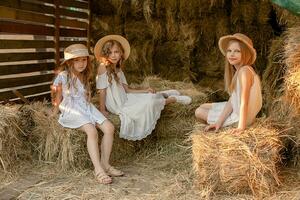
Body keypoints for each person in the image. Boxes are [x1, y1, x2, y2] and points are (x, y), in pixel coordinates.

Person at [94, 35, 192, 140]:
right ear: (105, 54)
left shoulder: (118, 70)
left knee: (149, 96)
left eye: (116, 52)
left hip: (125, 98)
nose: (113, 55)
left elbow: (127, 90)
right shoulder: (103, 67)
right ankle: (173, 99)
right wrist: (102, 110)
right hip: (118, 105)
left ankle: (163, 94)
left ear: (121, 53)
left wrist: (145, 90)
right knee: (150, 103)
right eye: (110, 52)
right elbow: (102, 91)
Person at [51, 44, 124, 185]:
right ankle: (98, 169)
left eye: (84, 60)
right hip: (71, 109)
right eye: (77, 60)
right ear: (69, 62)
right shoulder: (63, 76)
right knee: (91, 130)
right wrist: (54, 114)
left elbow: (85, 97)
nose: (81, 64)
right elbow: (58, 98)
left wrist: (90, 106)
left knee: (109, 128)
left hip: (86, 107)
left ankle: (105, 164)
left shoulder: (84, 75)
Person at [195, 33, 262, 134]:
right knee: (203, 106)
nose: (232, 54)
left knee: (198, 112)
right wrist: (219, 122)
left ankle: (220, 129)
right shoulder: (240, 71)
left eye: (237, 51)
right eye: (229, 51)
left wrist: (241, 128)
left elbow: (244, 102)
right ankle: (217, 124)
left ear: (245, 53)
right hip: (237, 109)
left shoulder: (245, 71)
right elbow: (233, 100)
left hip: (240, 118)